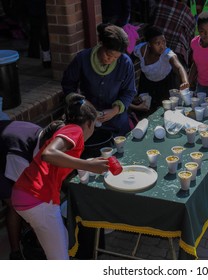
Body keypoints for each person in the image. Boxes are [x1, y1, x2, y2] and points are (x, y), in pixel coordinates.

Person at [11, 93, 109, 260]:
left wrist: (87, 164)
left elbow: (56, 161)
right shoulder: (76, 131)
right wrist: (88, 165)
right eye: (94, 125)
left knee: (62, 239)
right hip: (38, 199)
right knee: (60, 259)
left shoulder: (67, 129)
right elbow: (49, 154)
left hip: (25, 194)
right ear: (89, 123)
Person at [0, 120, 64, 259]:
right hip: (5, 157)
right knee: (15, 204)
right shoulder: (18, 155)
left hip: (9, 147)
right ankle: (15, 253)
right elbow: (25, 198)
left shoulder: (44, 135)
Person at [61, 23, 137, 136]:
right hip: (88, 121)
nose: (111, 60)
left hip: (116, 121)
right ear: (101, 44)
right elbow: (68, 84)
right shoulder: (82, 59)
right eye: (108, 54)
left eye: (116, 57)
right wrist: (82, 103)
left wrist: (114, 111)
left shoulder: (125, 63)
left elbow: (129, 91)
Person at [133, 26, 190, 112]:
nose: (162, 46)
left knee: (167, 109)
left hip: (166, 83)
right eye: (158, 43)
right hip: (148, 83)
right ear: (149, 45)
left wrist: (185, 81)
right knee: (146, 109)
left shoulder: (167, 54)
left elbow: (179, 67)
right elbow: (130, 62)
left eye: (164, 41)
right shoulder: (141, 50)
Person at [152, 0, 196, 68]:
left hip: (156, 48)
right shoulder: (185, 11)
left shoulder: (161, 3)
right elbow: (191, 32)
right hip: (175, 51)